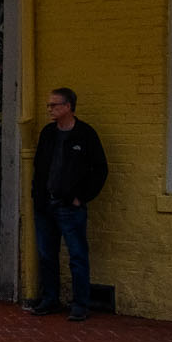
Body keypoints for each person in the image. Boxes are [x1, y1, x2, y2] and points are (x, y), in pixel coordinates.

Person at [28, 87, 107, 321]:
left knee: (77, 254)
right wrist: (37, 195)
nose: (50, 109)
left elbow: (100, 170)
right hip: (45, 205)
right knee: (46, 254)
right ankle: (50, 298)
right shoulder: (48, 134)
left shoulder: (85, 135)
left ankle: (80, 303)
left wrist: (80, 197)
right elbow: (39, 167)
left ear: (68, 106)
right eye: (49, 105)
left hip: (69, 207)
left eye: (54, 105)